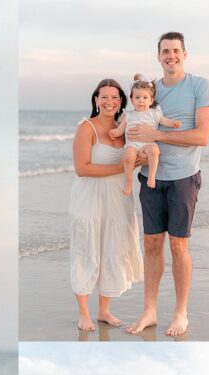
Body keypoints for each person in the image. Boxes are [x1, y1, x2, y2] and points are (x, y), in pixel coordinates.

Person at [126, 32, 209, 337]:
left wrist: (158, 137)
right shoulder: (150, 89)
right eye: (165, 51)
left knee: (178, 245)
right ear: (158, 56)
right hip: (150, 177)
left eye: (176, 51)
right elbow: (134, 122)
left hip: (183, 177)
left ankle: (181, 313)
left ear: (184, 54)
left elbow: (202, 136)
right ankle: (149, 311)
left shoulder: (200, 86)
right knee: (151, 244)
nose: (171, 56)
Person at [69, 79, 143, 332]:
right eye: (104, 97)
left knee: (113, 248)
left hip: (118, 200)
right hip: (89, 200)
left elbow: (137, 156)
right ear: (96, 100)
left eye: (115, 97)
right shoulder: (86, 127)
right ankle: (84, 313)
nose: (110, 101)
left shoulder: (127, 128)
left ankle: (104, 311)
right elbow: (82, 169)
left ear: (122, 100)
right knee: (87, 251)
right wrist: (122, 168)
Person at [109, 75, 180, 195]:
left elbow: (165, 121)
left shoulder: (154, 114)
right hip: (132, 144)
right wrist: (115, 132)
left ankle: (151, 176)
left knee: (154, 150)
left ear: (151, 100)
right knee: (127, 156)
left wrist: (173, 123)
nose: (141, 100)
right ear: (132, 100)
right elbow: (121, 129)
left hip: (148, 143)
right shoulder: (129, 115)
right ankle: (129, 180)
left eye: (145, 98)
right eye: (137, 97)